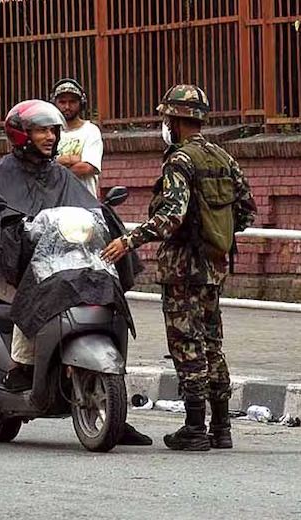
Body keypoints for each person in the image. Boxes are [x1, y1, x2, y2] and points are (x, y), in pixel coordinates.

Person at [0, 99, 152, 446]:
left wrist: (106, 220)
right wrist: (13, 232)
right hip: (14, 270)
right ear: (22, 135)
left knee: (104, 286)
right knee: (37, 290)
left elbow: (88, 208)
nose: (50, 136)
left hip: (62, 263)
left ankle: (114, 408)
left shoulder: (61, 175)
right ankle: (21, 365)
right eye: (41, 131)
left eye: (52, 130)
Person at [102, 84, 257, 451]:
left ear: (174, 120)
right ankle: (221, 427)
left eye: (167, 118)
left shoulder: (180, 161)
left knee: (187, 345)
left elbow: (170, 216)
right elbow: (246, 211)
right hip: (213, 267)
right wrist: (214, 234)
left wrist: (128, 240)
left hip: (183, 269)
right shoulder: (223, 157)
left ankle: (194, 427)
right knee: (213, 344)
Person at [52, 78, 104, 197]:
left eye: (72, 102)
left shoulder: (90, 131)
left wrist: (55, 168)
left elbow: (87, 168)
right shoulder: (49, 133)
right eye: (62, 102)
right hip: (54, 203)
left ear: (81, 103)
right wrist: (73, 159)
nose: (67, 106)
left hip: (84, 202)